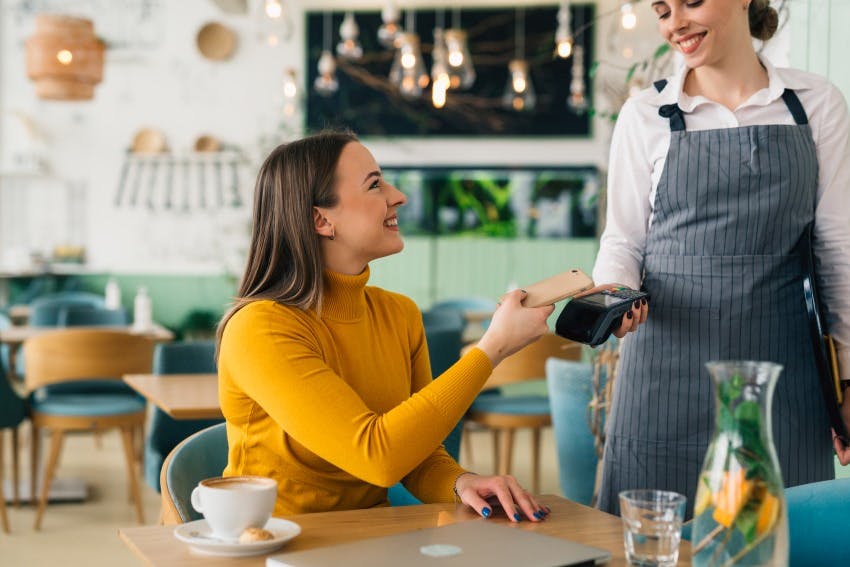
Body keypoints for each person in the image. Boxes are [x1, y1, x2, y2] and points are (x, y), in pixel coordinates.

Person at [592, 0, 850, 517]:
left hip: (782, 378)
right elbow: (622, 242)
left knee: (775, 538)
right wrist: (613, 300)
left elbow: (838, 251)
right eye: (662, 10)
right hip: (664, 376)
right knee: (651, 542)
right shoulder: (645, 115)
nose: (675, 25)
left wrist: (847, 379)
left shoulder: (816, 103)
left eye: (690, 3)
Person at [216, 130, 554, 521]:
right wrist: (492, 348)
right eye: (375, 185)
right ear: (320, 219)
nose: (398, 196)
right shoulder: (260, 329)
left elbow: (416, 454)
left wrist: (460, 482)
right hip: (274, 544)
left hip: (372, 541)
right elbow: (377, 456)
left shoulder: (399, 315)